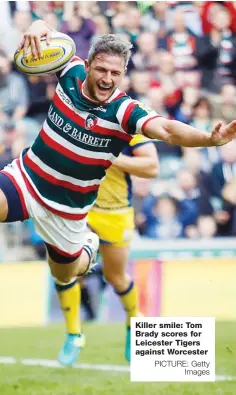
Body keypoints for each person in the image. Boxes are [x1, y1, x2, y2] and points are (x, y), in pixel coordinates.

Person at [0, 19, 236, 343]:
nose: (108, 79)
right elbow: (44, 30)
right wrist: (36, 26)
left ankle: (87, 248)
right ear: (89, 63)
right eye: (102, 70)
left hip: (68, 208)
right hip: (29, 177)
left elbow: (168, 130)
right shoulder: (70, 70)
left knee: (67, 274)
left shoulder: (125, 111)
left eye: (116, 73)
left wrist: (209, 139)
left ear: (123, 74)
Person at [57, 133, 159, 366]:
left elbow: (152, 168)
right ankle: (74, 334)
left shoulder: (130, 122)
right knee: (68, 267)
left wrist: (111, 158)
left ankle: (134, 323)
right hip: (80, 208)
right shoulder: (72, 118)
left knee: (116, 277)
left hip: (116, 213)